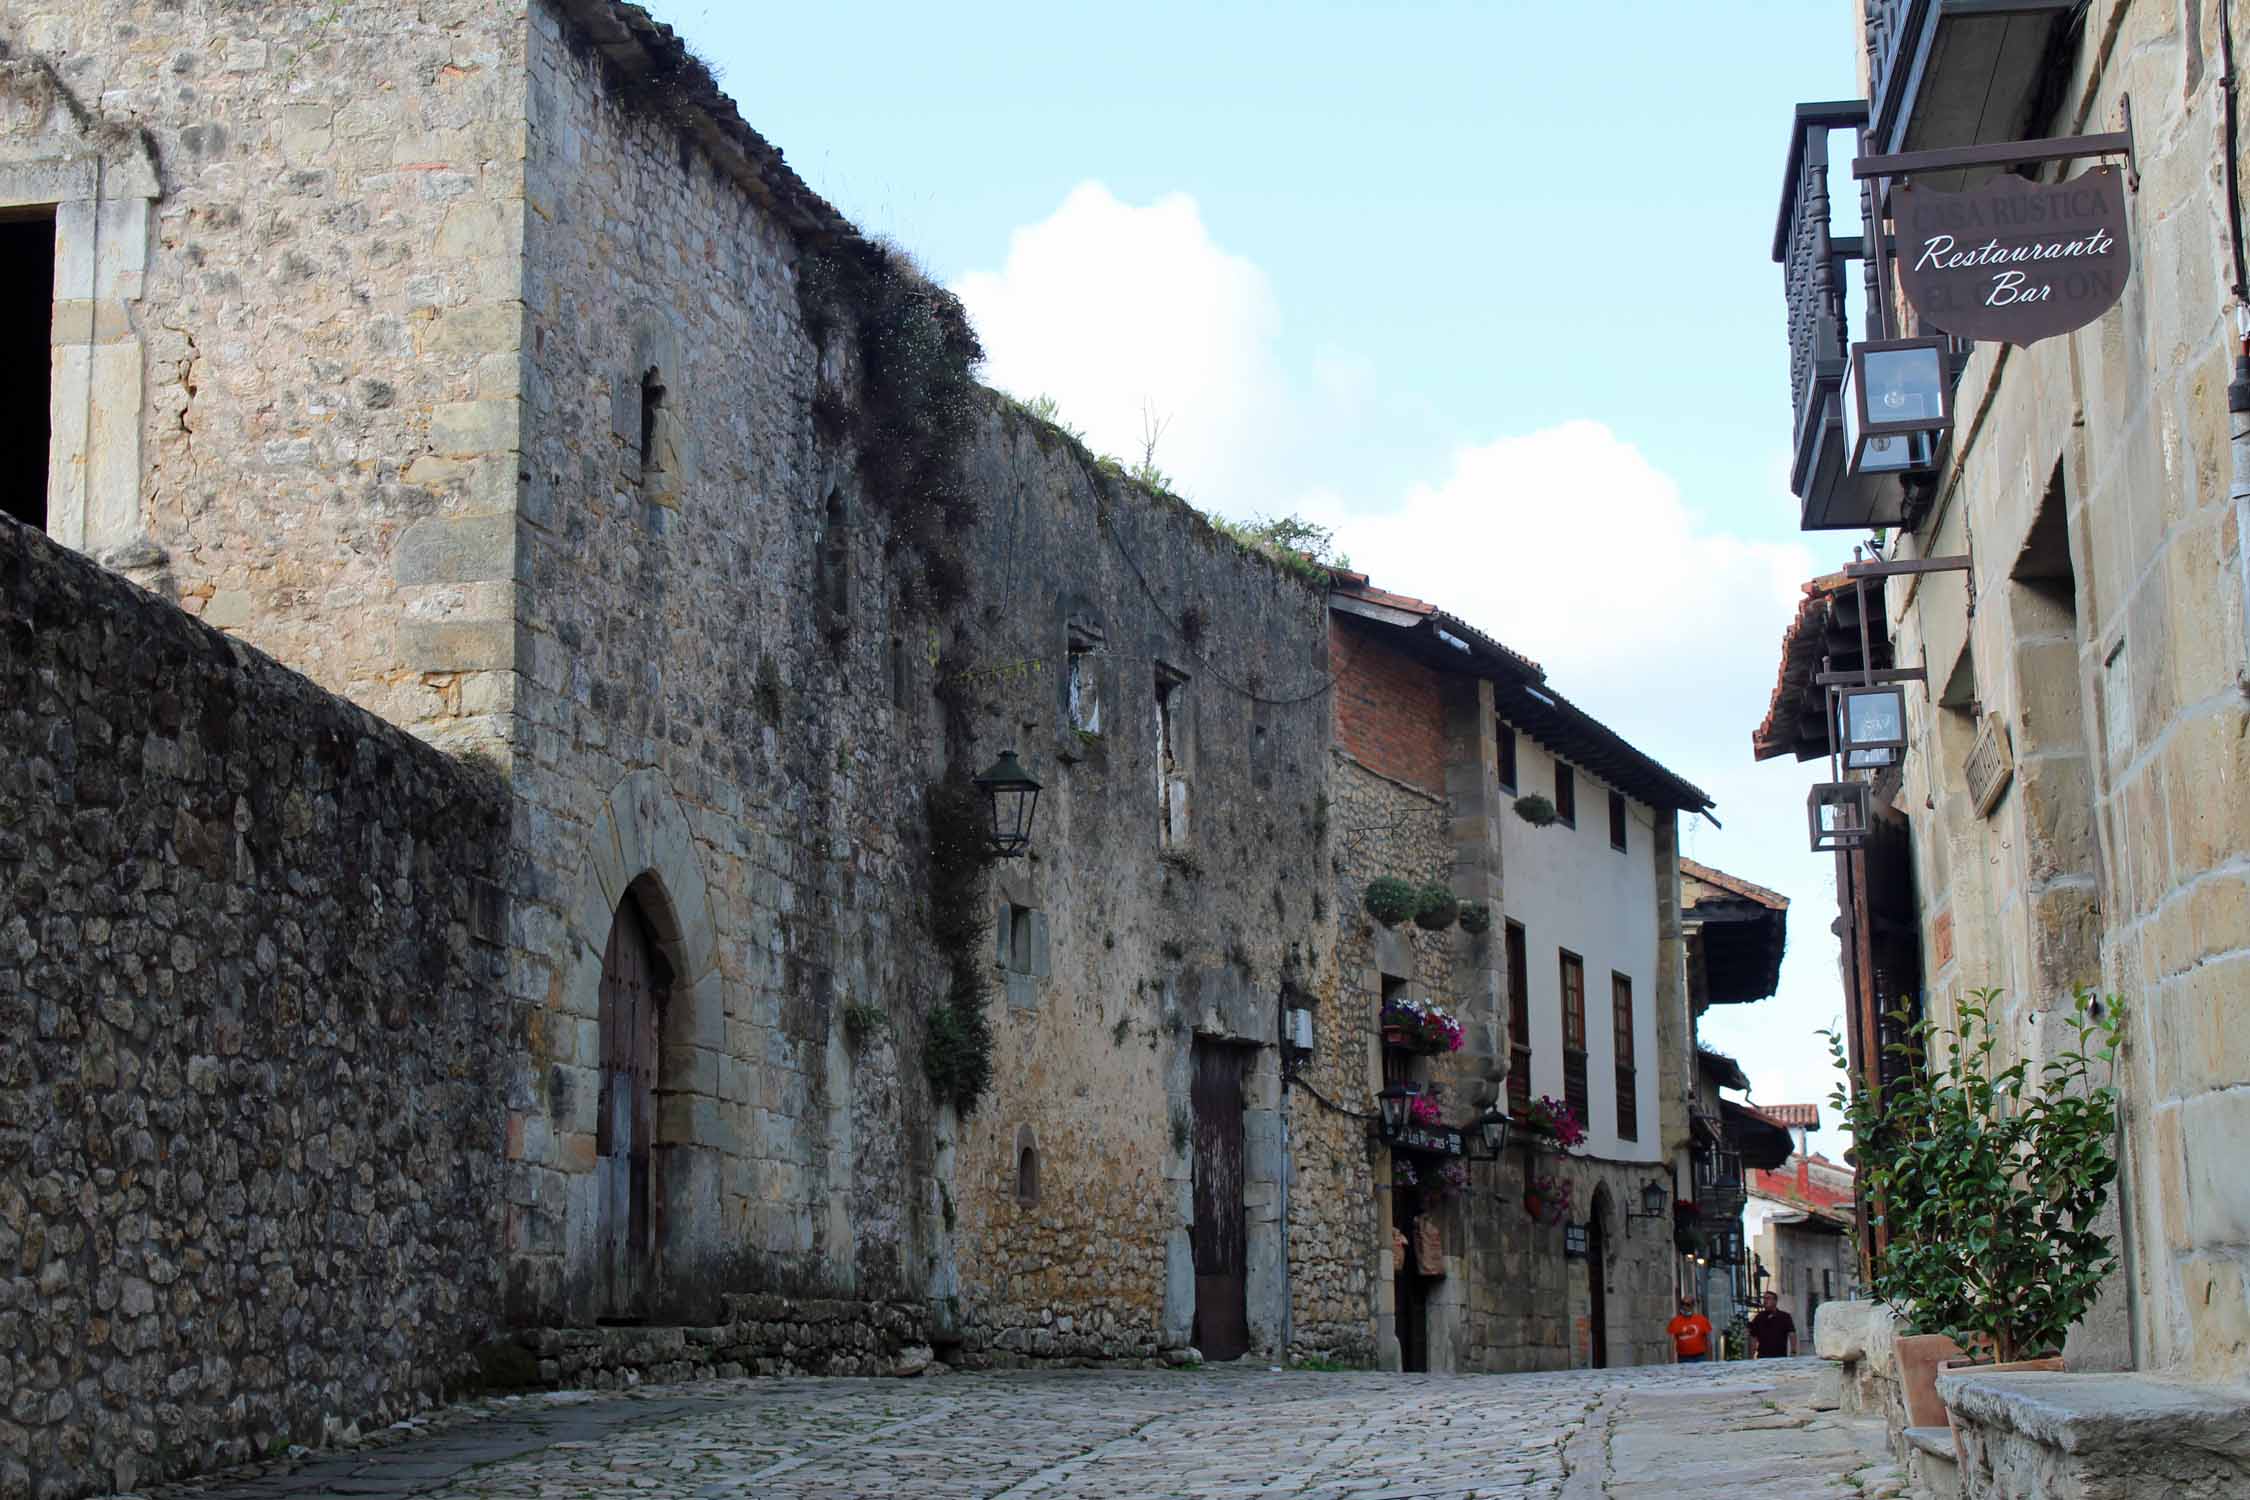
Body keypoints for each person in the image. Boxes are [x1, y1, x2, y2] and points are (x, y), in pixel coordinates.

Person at [1749, 1291, 1798, 1358]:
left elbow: (1792, 1334)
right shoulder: (1758, 1317)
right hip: (1763, 1356)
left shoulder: (1785, 1316)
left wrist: (1793, 1351)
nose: (1765, 1301)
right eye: (1764, 1298)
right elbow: (1753, 1337)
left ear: (1775, 1301)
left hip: (1780, 1356)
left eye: (1768, 1298)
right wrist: (1752, 1355)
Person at [1666, 1296, 1713, 1364]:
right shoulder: (1675, 1321)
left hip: (1700, 1357)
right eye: (1683, 1304)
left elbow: (1709, 1341)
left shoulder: (1702, 1320)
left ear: (1692, 1306)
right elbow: (1671, 1342)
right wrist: (1671, 1362)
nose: (1685, 1307)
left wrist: (1710, 1362)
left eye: (1688, 1304)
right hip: (1683, 1358)